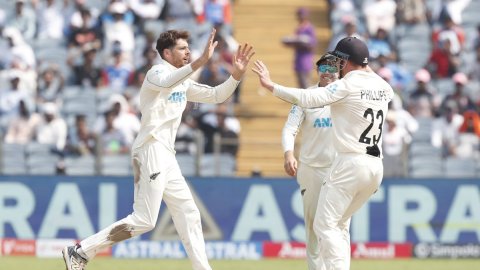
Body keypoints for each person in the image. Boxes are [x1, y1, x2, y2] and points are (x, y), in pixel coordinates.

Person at [62, 28, 254, 270]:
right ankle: (80, 251)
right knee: (144, 219)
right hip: (150, 148)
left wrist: (235, 76)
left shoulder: (182, 81)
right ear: (166, 52)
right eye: (182, 49)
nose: (187, 52)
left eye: (188, 48)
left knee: (189, 213)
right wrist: (200, 62)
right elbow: (167, 82)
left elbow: (216, 95)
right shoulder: (156, 73)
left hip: (167, 155)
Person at [252, 36, 393, 270]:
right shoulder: (384, 87)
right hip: (375, 167)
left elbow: (309, 98)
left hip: (349, 164)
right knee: (338, 225)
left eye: (339, 61)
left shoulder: (346, 85)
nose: (336, 66)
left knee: (324, 226)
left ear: (347, 61)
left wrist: (271, 86)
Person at [281, 53, 338, 270]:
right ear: (317, 72)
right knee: (314, 227)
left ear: (340, 71)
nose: (328, 72)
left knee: (337, 226)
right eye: (323, 68)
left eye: (332, 68)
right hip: (311, 169)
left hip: (339, 170)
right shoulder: (306, 96)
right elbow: (290, 128)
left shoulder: (347, 96)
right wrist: (288, 153)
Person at [281, 7, 317, 88]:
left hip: (306, 60)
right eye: (299, 15)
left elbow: (312, 45)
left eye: (302, 15)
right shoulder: (299, 29)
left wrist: (302, 42)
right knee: (301, 85)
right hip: (298, 60)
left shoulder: (309, 28)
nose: (300, 17)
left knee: (306, 86)